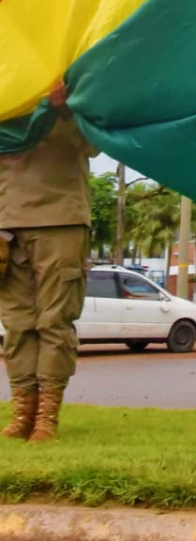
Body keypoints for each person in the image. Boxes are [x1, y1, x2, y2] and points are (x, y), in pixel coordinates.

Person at [0, 81, 94, 442]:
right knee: (17, 323)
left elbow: (94, 144)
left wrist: (65, 109)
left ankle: (46, 417)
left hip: (60, 217)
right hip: (7, 222)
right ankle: (22, 410)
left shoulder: (74, 86)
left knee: (55, 320)